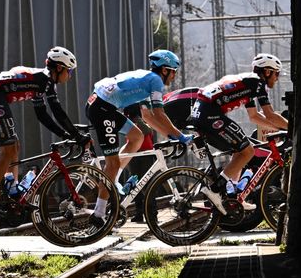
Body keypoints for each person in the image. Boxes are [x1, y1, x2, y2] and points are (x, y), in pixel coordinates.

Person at [165, 53, 287, 213]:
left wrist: (279, 129)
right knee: (248, 151)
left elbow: (254, 116)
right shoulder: (257, 84)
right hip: (209, 113)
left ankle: (234, 194)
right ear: (268, 72)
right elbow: (270, 114)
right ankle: (215, 190)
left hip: (204, 111)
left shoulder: (248, 82)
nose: (277, 78)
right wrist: (291, 128)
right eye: (276, 73)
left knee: (241, 150)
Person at [86, 49, 195, 226]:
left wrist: (170, 134)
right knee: (112, 163)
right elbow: (159, 114)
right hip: (102, 109)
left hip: (104, 105)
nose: (174, 76)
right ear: (165, 70)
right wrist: (181, 136)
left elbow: (148, 117)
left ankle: (114, 180)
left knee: (136, 136)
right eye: (173, 71)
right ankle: (98, 214)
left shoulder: (148, 80)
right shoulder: (156, 81)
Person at [0, 46, 83, 211]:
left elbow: (42, 115)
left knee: (15, 146)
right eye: (69, 71)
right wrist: (75, 135)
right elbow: (57, 112)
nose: (70, 75)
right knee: (8, 148)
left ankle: (12, 189)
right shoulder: (44, 80)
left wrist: (64, 134)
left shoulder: (44, 82)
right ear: (59, 68)